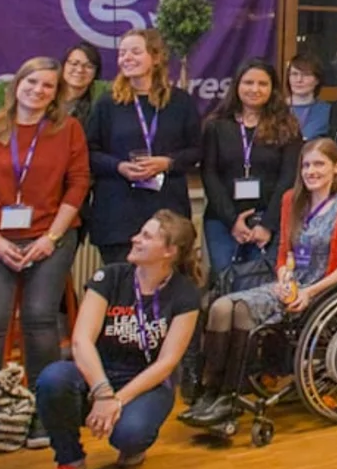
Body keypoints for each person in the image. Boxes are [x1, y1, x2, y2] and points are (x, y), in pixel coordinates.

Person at [183, 139, 337, 431]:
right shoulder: (291, 199)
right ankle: (212, 394)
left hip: (322, 291)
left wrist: (309, 292)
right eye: (306, 165)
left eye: (319, 164)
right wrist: (282, 277)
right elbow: (282, 252)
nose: (311, 171)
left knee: (241, 309)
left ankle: (229, 398)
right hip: (288, 283)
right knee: (221, 306)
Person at [38, 209, 204, 469]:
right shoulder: (110, 277)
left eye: (146, 236)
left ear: (169, 252)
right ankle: (69, 461)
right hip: (98, 370)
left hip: (146, 381)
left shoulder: (185, 294)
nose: (135, 239)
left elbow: (167, 363)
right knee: (52, 380)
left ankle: (132, 444)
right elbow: (81, 341)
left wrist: (117, 401)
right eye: (140, 233)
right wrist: (102, 392)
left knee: (130, 434)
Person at [0, 56, 90, 383]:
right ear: (17, 84)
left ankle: (42, 401)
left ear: (56, 93)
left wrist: (51, 238)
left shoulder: (69, 130)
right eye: (31, 81)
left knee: (39, 316)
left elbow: (78, 185)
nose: (38, 90)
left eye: (48, 85)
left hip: (51, 237)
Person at [84, 29, 203, 269]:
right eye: (122, 53)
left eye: (135, 52)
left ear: (156, 57)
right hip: (118, 215)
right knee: (123, 287)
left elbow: (197, 150)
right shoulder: (107, 103)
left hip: (167, 210)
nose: (126, 58)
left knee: (167, 285)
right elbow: (89, 152)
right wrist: (119, 167)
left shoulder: (180, 102)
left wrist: (168, 163)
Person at [199, 59, 303, 286]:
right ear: (237, 85)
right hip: (222, 222)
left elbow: (288, 178)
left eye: (262, 84)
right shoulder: (216, 125)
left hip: (268, 220)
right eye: (248, 83)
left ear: (273, 89)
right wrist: (232, 221)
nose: (255, 89)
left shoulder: (287, 126)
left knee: (258, 289)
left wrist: (267, 224)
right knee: (226, 286)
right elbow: (209, 174)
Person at [57, 41, 103, 122]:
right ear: (63, 65)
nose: (80, 70)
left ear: (96, 72)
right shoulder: (48, 95)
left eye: (88, 66)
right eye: (74, 63)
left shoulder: (98, 104)